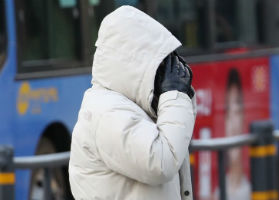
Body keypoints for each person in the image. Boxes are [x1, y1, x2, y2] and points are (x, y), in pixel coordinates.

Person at [68, 6, 197, 200]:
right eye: (159, 62)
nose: (164, 70)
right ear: (135, 62)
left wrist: (177, 95)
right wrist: (175, 94)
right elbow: (161, 162)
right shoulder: (106, 112)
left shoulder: (131, 106)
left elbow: (175, 139)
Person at [214, 68, 251, 200]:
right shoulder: (219, 192)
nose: (233, 124)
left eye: (238, 111)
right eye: (228, 112)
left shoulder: (254, 189)